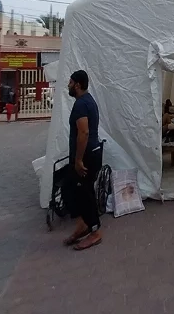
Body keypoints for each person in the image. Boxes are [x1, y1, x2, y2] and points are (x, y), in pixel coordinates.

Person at [62, 70, 103, 251]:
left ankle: (94, 231)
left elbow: (84, 132)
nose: (68, 86)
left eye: (70, 83)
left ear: (77, 84)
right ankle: (82, 225)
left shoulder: (81, 104)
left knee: (85, 193)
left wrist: (78, 160)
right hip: (90, 152)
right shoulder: (89, 101)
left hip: (87, 156)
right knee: (69, 188)